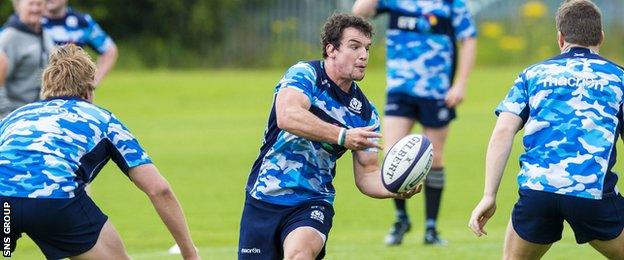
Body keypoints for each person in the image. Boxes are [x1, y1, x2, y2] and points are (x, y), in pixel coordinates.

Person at [238, 13, 422, 260]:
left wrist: (394, 186)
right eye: (354, 47)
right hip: (264, 197)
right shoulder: (305, 75)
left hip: (313, 201)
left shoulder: (366, 114)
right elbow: (287, 115)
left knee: (298, 256)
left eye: (367, 48)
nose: (364, 55)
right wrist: (342, 136)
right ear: (331, 49)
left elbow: (367, 174)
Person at [0, 44, 200, 260]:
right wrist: (190, 254)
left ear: (46, 85)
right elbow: (158, 189)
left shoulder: (16, 116)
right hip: (55, 203)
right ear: (88, 90)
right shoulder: (103, 120)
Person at [469, 0, 624, 259]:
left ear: (560, 38)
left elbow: (503, 131)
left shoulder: (532, 74)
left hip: (538, 192)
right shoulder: (618, 78)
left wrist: (489, 195)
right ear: (601, 37)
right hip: (592, 194)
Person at [353, 0, 477, 246]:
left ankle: (431, 228)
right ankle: (401, 219)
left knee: (436, 158)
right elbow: (360, 11)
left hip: (437, 92)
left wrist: (460, 83)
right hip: (400, 90)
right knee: (392, 153)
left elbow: (469, 39)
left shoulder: (451, 4)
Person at [43, 0, 118, 86]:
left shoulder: (82, 22)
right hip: (37, 91)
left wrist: (92, 83)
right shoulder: (32, 20)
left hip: (70, 91)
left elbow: (109, 50)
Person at [0, 0, 54, 117]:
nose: (35, 9)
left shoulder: (44, 34)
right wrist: (7, 115)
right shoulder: (9, 38)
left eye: (39, 4)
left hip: (41, 114)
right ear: (18, 6)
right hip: (16, 116)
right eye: (31, 4)